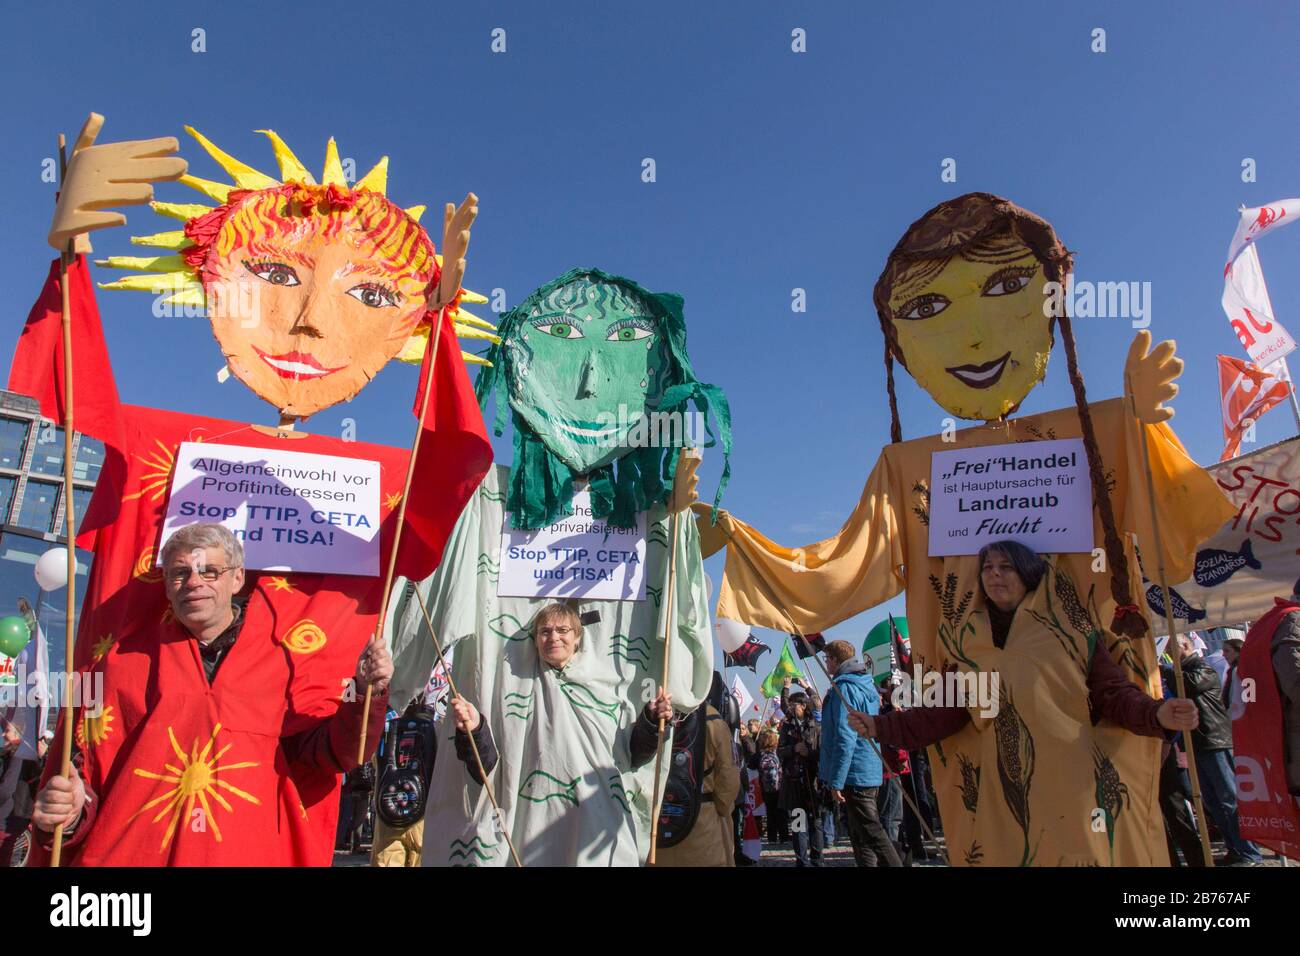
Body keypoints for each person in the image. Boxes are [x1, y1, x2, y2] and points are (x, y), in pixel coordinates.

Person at [31, 523, 393, 865]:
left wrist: (362, 693)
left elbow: (335, 753)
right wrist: (72, 810)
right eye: (180, 572)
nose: (193, 582)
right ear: (167, 585)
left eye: (209, 572)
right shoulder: (116, 664)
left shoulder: (286, 661)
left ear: (237, 579)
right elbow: (87, 771)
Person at [847, 540, 1200, 866]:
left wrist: (1157, 713)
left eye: (1006, 566)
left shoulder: (1073, 632)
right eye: (987, 567)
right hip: (1005, 791)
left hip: (1074, 786)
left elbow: (1113, 696)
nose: (994, 573)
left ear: (1028, 574)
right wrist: (880, 726)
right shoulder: (969, 642)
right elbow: (943, 713)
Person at [1163, 632, 1262, 865]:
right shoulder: (1185, 671)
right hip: (1198, 743)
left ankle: (1249, 851)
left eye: (1171, 649)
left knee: (1229, 798)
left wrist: (1164, 669)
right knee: (1213, 803)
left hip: (1215, 741)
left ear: (1185, 646)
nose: (1168, 655)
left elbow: (1191, 685)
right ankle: (1235, 847)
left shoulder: (1202, 668)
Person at [818, 639, 900, 866]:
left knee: (872, 832)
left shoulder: (844, 688)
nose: (826, 664)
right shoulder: (865, 683)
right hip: (868, 768)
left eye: (827, 659)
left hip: (855, 772)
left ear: (835, 660)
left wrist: (836, 781)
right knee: (861, 837)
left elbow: (845, 737)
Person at [778, 685, 822, 866]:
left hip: (813, 783)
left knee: (815, 825)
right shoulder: (787, 726)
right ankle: (802, 862)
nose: (790, 708)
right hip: (794, 783)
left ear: (803, 706)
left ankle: (818, 861)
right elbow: (779, 751)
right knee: (798, 827)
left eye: (793, 705)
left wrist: (809, 753)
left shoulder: (816, 725)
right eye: (789, 705)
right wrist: (793, 749)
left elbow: (823, 751)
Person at [754, 729, 786, 845]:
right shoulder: (776, 754)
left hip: (766, 789)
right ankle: (784, 837)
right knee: (781, 813)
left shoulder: (761, 755)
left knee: (770, 813)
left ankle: (772, 838)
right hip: (778, 787)